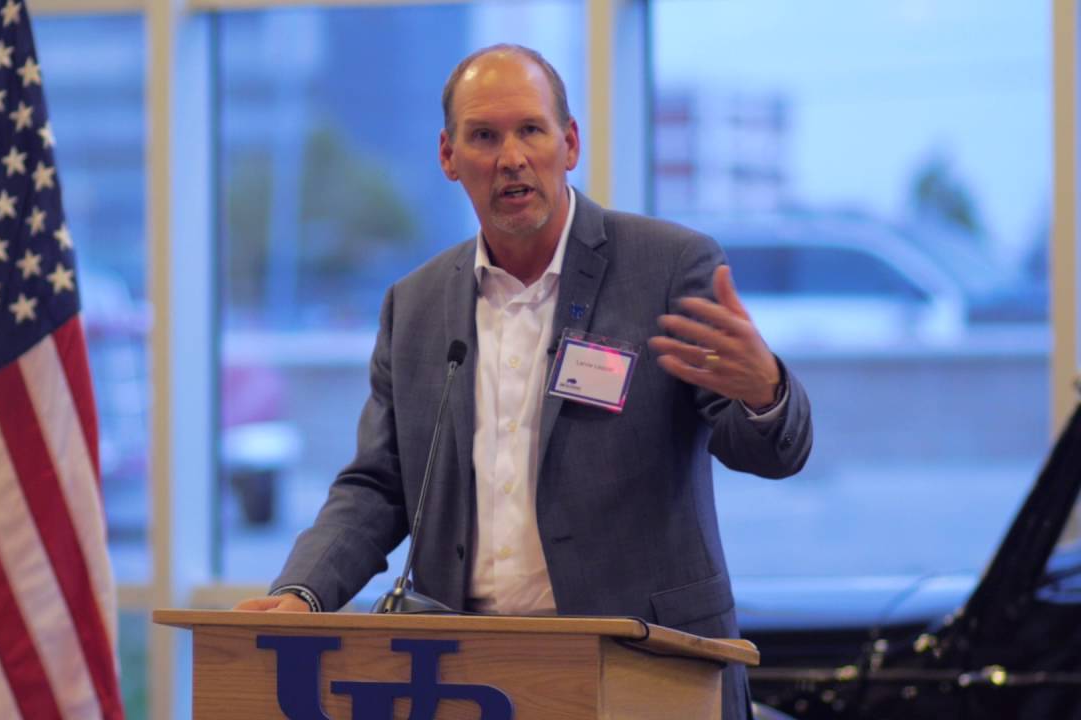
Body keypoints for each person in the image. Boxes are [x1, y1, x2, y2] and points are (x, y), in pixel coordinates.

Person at [235, 44, 813, 720]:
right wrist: (304, 592)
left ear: (568, 144)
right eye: (484, 136)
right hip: (469, 678)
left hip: (649, 671)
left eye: (530, 130)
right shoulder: (414, 306)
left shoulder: (666, 267)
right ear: (449, 157)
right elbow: (379, 486)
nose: (510, 157)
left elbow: (770, 452)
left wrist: (765, 392)